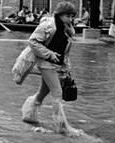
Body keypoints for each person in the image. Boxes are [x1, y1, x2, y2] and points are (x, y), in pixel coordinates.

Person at [21, 2, 80, 135]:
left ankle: (29, 114)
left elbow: (65, 52)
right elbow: (33, 41)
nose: (71, 19)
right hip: (46, 64)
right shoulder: (48, 26)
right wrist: (49, 54)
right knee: (57, 93)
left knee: (42, 93)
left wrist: (66, 68)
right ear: (60, 14)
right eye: (68, 16)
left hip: (58, 65)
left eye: (72, 16)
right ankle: (61, 126)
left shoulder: (68, 29)